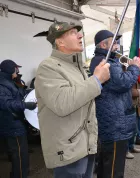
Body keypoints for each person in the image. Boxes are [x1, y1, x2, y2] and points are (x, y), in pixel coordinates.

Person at [35, 22, 110, 178]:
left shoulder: (77, 67)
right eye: (73, 32)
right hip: (68, 150)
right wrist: (96, 80)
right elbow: (63, 103)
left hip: (84, 146)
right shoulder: (48, 67)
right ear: (60, 42)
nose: (80, 35)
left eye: (79, 32)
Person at [89, 30, 140, 178]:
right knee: (113, 169)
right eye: (114, 43)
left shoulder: (107, 61)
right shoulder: (104, 62)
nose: (117, 46)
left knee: (107, 165)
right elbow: (123, 83)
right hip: (114, 123)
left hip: (115, 121)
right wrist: (134, 67)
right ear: (104, 44)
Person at [0, 59, 37, 178]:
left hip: (17, 123)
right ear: (11, 70)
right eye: (16, 69)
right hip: (12, 125)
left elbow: (18, 95)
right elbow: (6, 104)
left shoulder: (10, 82)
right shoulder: (2, 85)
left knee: (21, 155)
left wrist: (22, 86)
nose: (18, 71)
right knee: (20, 156)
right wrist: (26, 105)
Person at [126, 83, 140, 159]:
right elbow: (126, 90)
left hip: (134, 104)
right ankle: (126, 150)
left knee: (133, 129)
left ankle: (131, 146)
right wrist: (137, 92)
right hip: (128, 105)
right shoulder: (126, 73)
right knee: (128, 130)